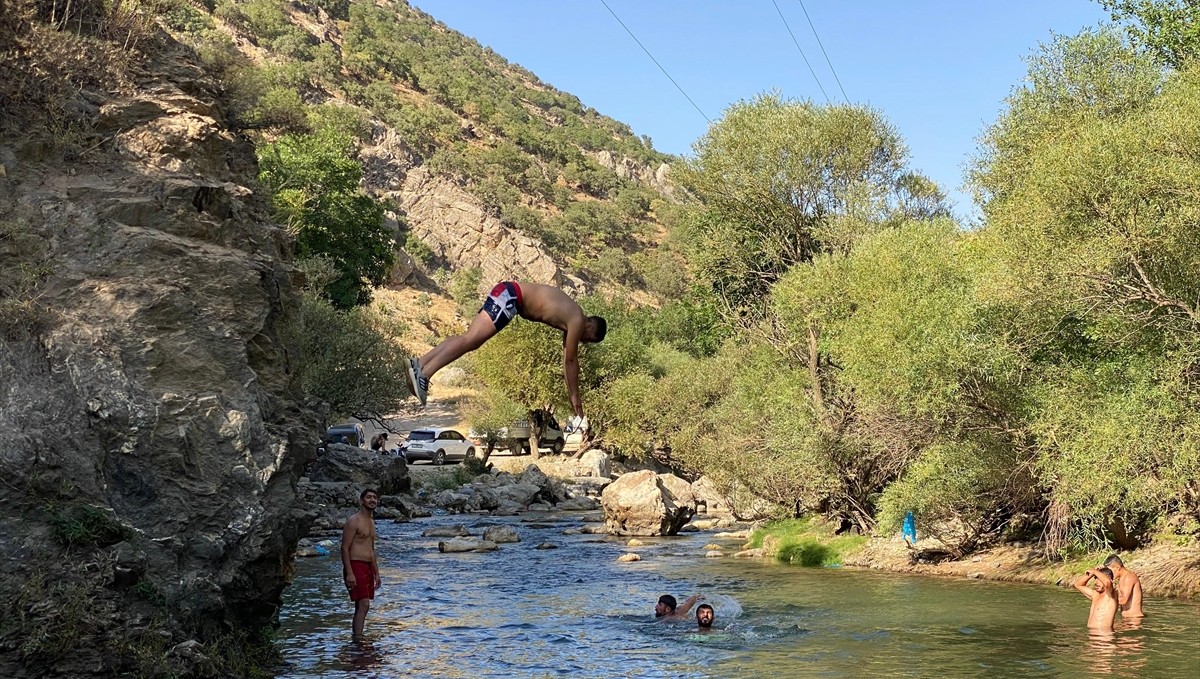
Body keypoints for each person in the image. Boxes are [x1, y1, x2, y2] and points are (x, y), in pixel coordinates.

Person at [404, 282, 607, 420]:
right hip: (512, 297)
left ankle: (420, 364)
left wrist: (572, 393)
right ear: (590, 326)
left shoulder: (572, 316)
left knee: (469, 339)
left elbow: (567, 362)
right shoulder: (578, 321)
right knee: (471, 340)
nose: (583, 342)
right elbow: (571, 362)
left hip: (508, 293)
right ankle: (424, 374)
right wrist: (575, 397)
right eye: (587, 339)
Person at [341, 488, 381, 638]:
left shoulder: (371, 522)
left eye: (375, 497)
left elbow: (371, 549)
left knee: (361, 605)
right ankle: (358, 639)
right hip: (355, 565)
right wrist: (349, 572)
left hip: (367, 566)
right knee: (364, 604)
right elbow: (344, 548)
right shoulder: (353, 521)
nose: (372, 500)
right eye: (369, 497)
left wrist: (376, 572)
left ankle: (357, 638)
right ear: (361, 501)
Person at [1073, 566, 1119, 631]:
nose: (1095, 583)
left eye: (1099, 580)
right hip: (1092, 635)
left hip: (1104, 636)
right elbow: (1078, 584)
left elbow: (1107, 582)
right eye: (1095, 578)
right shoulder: (1095, 594)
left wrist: (1095, 572)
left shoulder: (1111, 595)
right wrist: (1092, 573)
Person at [1103, 554, 1145, 619]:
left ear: (1117, 567)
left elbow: (1123, 601)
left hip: (1134, 619)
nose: (1109, 573)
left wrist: (1103, 599)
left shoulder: (1129, 577)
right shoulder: (1121, 579)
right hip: (1127, 619)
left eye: (1110, 571)